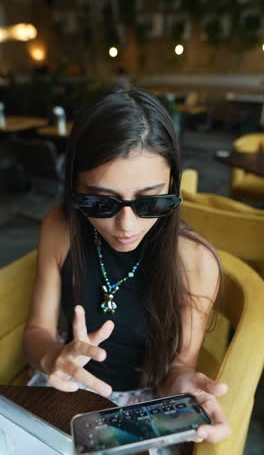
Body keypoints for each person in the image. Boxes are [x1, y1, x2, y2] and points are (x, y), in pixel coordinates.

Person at [23, 87, 230, 451]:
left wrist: (184, 386)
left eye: (151, 201)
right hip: (65, 386)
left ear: (174, 186)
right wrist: (55, 356)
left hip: (141, 406)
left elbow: (176, 371)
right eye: (100, 202)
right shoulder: (60, 228)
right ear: (73, 186)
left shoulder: (195, 263)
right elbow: (37, 332)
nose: (126, 225)